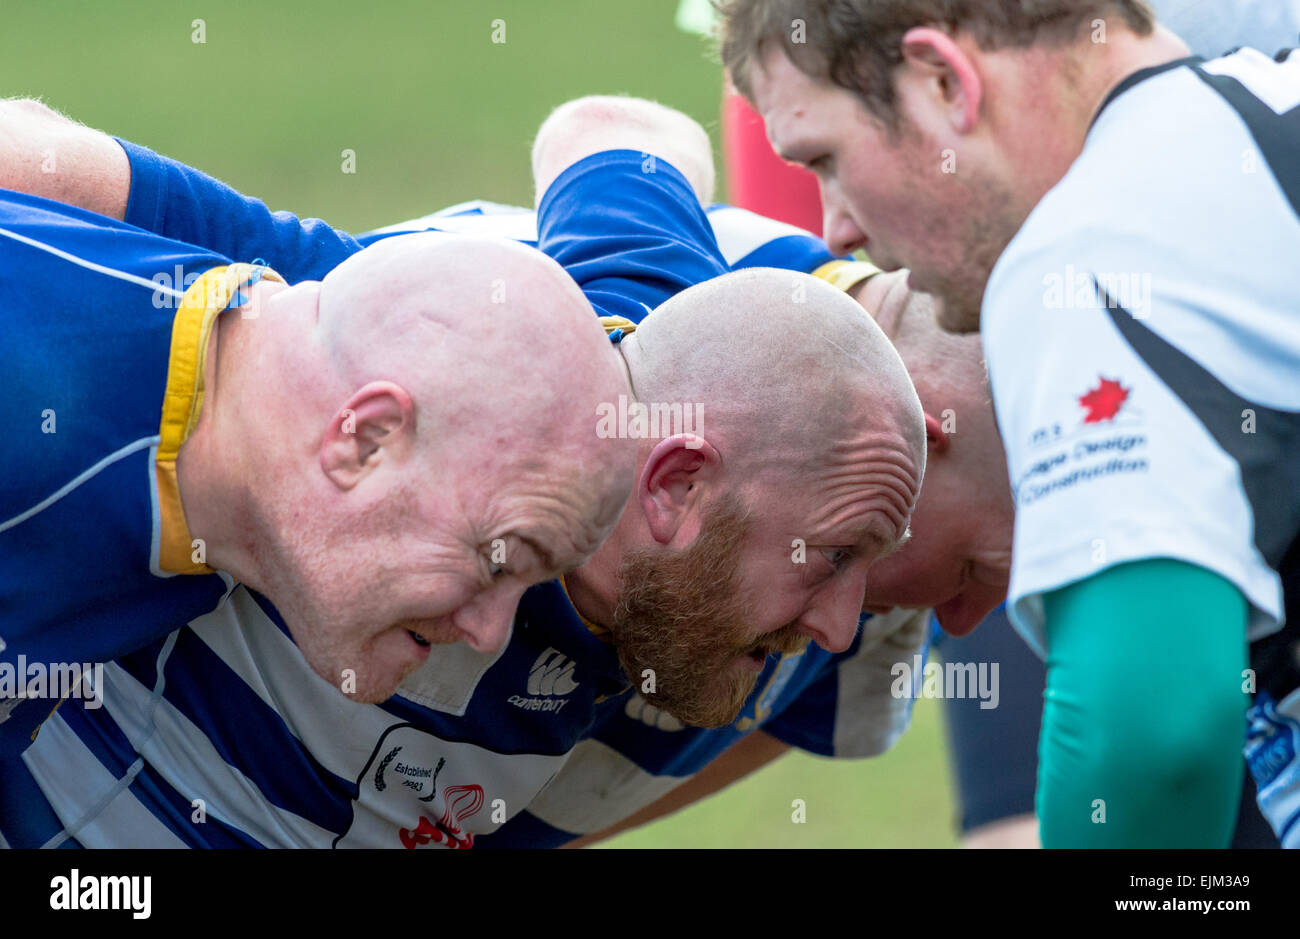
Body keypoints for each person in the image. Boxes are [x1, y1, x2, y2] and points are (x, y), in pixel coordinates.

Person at [0, 95, 927, 847]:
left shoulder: (630, 325)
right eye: (498, 555)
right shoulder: (361, 342)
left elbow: (626, 135)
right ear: (676, 483)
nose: (487, 630)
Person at [719, 0, 1300, 847]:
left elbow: (1146, 735)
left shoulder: (1083, 250)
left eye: (828, 159)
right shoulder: (1261, 99)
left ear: (944, 82)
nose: (837, 228)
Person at [0, 135, 636, 760]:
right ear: (363, 439)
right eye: (497, 563)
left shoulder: (232, 476)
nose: (488, 636)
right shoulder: (35, 385)